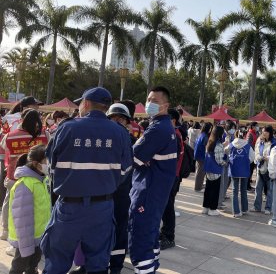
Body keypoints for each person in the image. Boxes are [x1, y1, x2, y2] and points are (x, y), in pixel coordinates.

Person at [41, 87, 132, 274]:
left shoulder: (66, 127)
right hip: (103, 207)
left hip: (69, 207)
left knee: (57, 262)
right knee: (98, 263)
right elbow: (125, 170)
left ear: (86, 103)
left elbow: (51, 166)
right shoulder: (120, 133)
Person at [128, 86, 177, 274]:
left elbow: (134, 158)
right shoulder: (165, 127)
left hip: (147, 192)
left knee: (141, 243)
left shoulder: (158, 129)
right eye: (148, 99)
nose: (149, 104)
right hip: (156, 192)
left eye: (155, 101)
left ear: (166, 105)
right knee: (150, 238)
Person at [1, 109, 49, 254]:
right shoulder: (44, 135)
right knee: (36, 209)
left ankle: (7, 233)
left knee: (11, 207)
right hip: (37, 177)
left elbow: (4, 148)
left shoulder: (11, 136)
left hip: (15, 176)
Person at [7, 144, 50, 274]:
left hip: (38, 234)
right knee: (19, 266)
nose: (50, 164)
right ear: (36, 164)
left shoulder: (44, 179)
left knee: (33, 264)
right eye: (46, 161)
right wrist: (26, 243)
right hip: (25, 237)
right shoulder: (25, 184)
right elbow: (21, 217)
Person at [106, 103, 134, 274]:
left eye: (121, 119)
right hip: (101, 194)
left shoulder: (129, 141)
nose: (116, 122)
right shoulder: (101, 141)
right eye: (113, 118)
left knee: (119, 230)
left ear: (127, 123)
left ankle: (116, 266)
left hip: (120, 194)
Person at [159, 108, 185, 250]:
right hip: (170, 176)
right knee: (165, 206)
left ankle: (169, 237)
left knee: (167, 207)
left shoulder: (174, 135)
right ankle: (164, 233)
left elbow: (169, 160)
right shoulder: (174, 134)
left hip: (170, 176)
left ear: (172, 120)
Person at [227, 128, 254, 217]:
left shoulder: (232, 144)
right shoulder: (248, 146)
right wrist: (245, 161)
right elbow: (252, 157)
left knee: (234, 191)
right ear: (245, 135)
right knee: (243, 190)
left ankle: (236, 211)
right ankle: (245, 209)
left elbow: (225, 151)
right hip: (245, 170)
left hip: (234, 169)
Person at [202, 126, 227, 216]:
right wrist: (225, 163)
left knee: (208, 189)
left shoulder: (210, 142)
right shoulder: (219, 145)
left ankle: (205, 207)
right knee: (215, 190)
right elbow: (219, 160)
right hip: (216, 170)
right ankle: (212, 209)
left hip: (208, 169)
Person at [253, 126, 276, 214]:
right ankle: (257, 207)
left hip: (269, 168)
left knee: (270, 190)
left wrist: (268, 158)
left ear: (269, 133)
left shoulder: (274, 143)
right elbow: (256, 152)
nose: (263, 134)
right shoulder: (260, 141)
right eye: (262, 132)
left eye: (265, 132)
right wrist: (259, 157)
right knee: (258, 188)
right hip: (260, 166)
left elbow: (275, 156)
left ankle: (268, 208)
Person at [193, 122, 212, 192]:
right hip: (201, 156)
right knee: (200, 172)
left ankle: (199, 185)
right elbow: (207, 147)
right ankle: (198, 187)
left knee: (199, 171)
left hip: (198, 155)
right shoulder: (205, 137)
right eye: (210, 128)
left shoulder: (201, 135)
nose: (211, 129)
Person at [246, 122, 258, 191]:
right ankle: (247, 186)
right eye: (256, 126)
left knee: (251, 171)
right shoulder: (250, 134)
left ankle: (248, 185)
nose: (257, 127)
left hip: (254, 154)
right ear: (252, 127)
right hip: (250, 155)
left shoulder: (255, 133)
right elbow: (248, 145)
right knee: (249, 171)